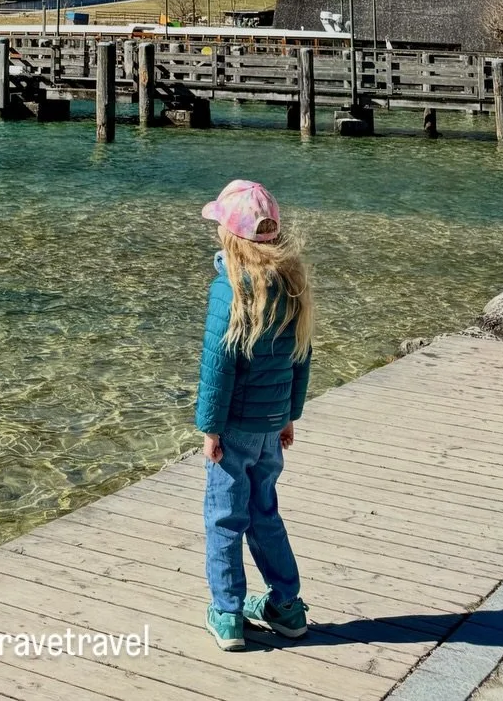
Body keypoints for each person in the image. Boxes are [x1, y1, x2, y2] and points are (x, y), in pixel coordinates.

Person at [194, 178, 314, 651]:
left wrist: (210, 428)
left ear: (229, 234)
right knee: (264, 511)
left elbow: (216, 367)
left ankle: (227, 613)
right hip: (270, 427)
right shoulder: (293, 282)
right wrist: (289, 415)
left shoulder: (230, 289)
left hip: (236, 428)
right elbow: (300, 357)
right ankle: (286, 605)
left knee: (224, 518)